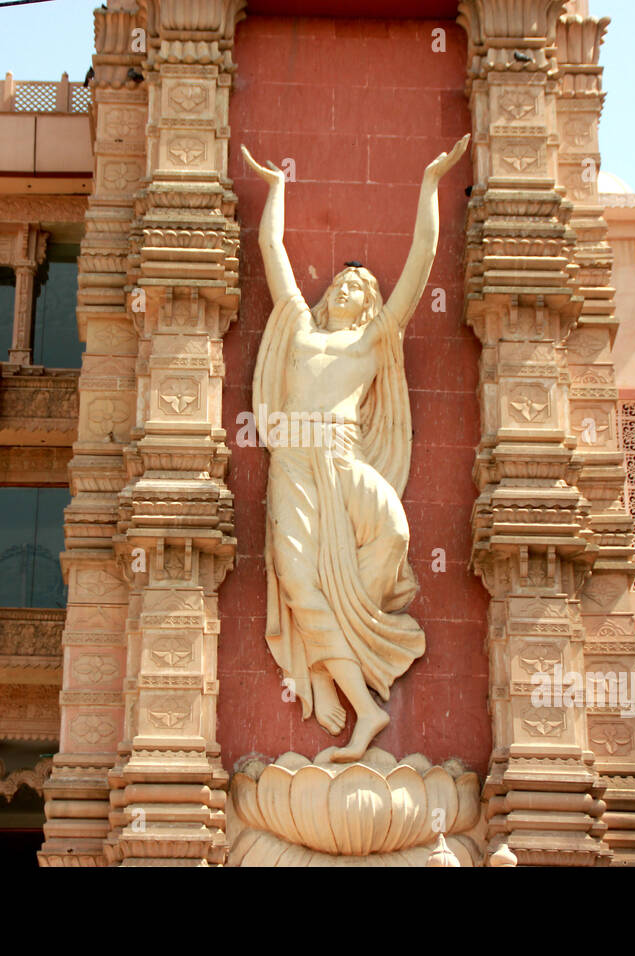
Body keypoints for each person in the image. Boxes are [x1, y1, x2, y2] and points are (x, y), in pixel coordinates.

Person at [242, 134, 469, 761]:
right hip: (293, 461)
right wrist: (278, 189)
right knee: (294, 580)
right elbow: (271, 250)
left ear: (370, 306)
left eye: (360, 288)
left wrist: (429, 185)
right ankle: (363, 707)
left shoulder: (372, 342)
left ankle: (360, 619)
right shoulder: (296, 325)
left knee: (393, 531)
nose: (348, 290)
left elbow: (422, 261)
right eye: (343, 284)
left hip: (344, 457)